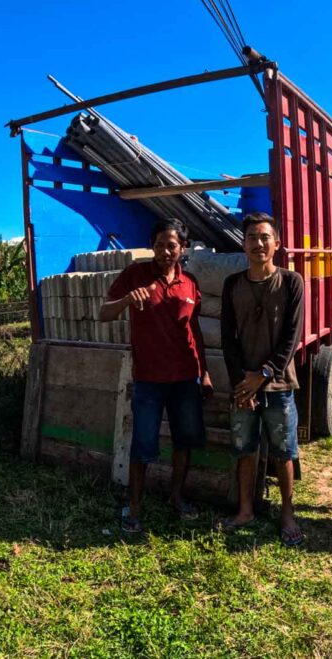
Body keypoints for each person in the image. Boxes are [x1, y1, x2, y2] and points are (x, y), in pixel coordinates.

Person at [99, 218, 213, 533]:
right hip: (149, 379)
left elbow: (195, 331)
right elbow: (103, 313)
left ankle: (176, 497)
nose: (165, 250)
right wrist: (126, 300)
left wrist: (204, 373)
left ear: (183, 248)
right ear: (153, 245)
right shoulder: (135, 275)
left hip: (186, 377)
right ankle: (134, 507)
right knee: (143, 443)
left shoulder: (190, 283)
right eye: (160, 244)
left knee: (184, 441)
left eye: (172, 245)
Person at [218, 212, 306, 546]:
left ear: (277, 243)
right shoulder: (232, 285)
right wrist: (243, 381)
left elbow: (291, 337)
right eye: (252, 237)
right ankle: (245, 510)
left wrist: (263, 375)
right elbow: (228, 339)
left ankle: (287, 513)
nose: (259, 243)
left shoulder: (291, 282)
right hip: (244, 387)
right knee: (244, 449)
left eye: (265, 237)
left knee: (283, 452)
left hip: (279, 386)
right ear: (243, 244)